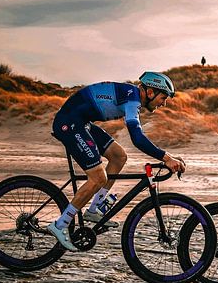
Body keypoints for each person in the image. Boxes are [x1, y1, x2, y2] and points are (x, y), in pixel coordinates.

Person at [46, 72, 186, 251]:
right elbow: (137, 138)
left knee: (119, 157)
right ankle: (60, 225)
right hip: (69, 122)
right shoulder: (133, 100)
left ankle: (93, 210)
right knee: (98, 177)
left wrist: (167, 157)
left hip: (82, 122)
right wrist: (166, 158)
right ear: (150, 92)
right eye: (163, 97)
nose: (164, 103)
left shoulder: (131, 96)